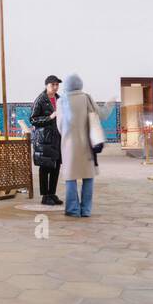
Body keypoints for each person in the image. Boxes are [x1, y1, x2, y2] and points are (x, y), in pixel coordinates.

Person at [55, 73, 98, 217]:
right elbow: (95, 119)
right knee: (88, 176)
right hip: (87, 143)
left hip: (69, 144)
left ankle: (73, 209)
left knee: (70, 177)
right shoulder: (86, 98)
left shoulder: (62, 101)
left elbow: (60, 125)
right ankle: (86, 210)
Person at [30, 75, 63, 206]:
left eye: (57, 85)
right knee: (45, 167)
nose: (55, 87)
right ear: (46, 85)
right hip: (44, 140)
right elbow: (33, 119)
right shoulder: (40, 100)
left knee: (56, 166)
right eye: (52, 85)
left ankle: (52, 193)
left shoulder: (59, 99)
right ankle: (45, 196)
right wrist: (50, 117)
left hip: (57, 138)